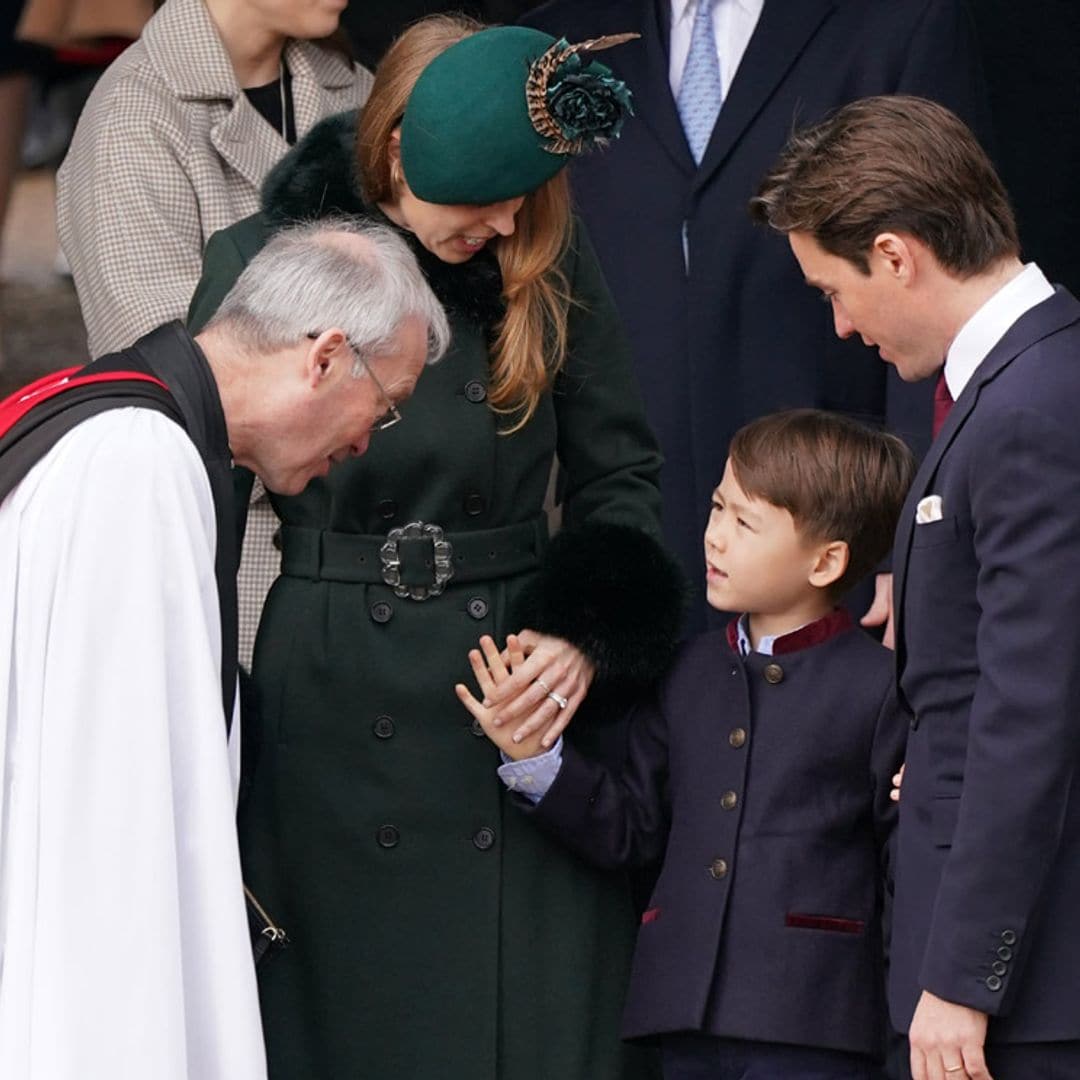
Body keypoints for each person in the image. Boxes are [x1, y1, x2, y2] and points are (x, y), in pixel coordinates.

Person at [187, 16, 683, 1080]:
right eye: (484, 196)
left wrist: (583, 637)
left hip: (509, 688)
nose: (504, 222)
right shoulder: (259, 262)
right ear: (404, 152)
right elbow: (204, 505)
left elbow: (621, 472)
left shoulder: (542, 256)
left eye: (523, 199)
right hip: (332, 683)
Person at [0, 218, 448, 1080]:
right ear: (325, 358)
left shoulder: (124, 429)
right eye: (384, 407)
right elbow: (113, 817)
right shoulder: (139, 460)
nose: (366, 443)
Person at [752, 95, 1080, 1080]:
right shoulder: (1021, 384)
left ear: (895, 255)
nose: (842, 326)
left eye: (833, 290)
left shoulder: (1029, 407)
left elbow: (1028, 712)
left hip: (1014, 997)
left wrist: (965, 979)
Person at [461, 408, 916, 1080]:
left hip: (819, 1020)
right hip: (681, 1018)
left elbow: (906, 870)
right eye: (716, 508)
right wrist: (535, 758)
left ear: (827, 561)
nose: (714, 537)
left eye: (744, 523)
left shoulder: (882, 688)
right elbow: (633, 830)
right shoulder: (682, 671)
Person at [521, 0, 989, 634]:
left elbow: (939, 278)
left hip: (832, 530)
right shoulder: (558, 37)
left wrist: (907, 538)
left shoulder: (900, 19)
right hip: (633, 541)